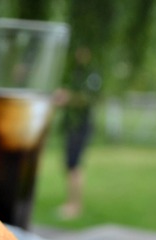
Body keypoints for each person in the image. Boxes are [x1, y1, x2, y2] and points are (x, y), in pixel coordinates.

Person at [57, 47, 102, 220]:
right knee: (69, 164)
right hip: (73, 126)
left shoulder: (91, 77)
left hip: (81, 126)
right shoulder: (76, 74)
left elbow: (90, 98)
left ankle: (75, 205)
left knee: (74, 164)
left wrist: (69, 98)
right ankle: (71, 202)